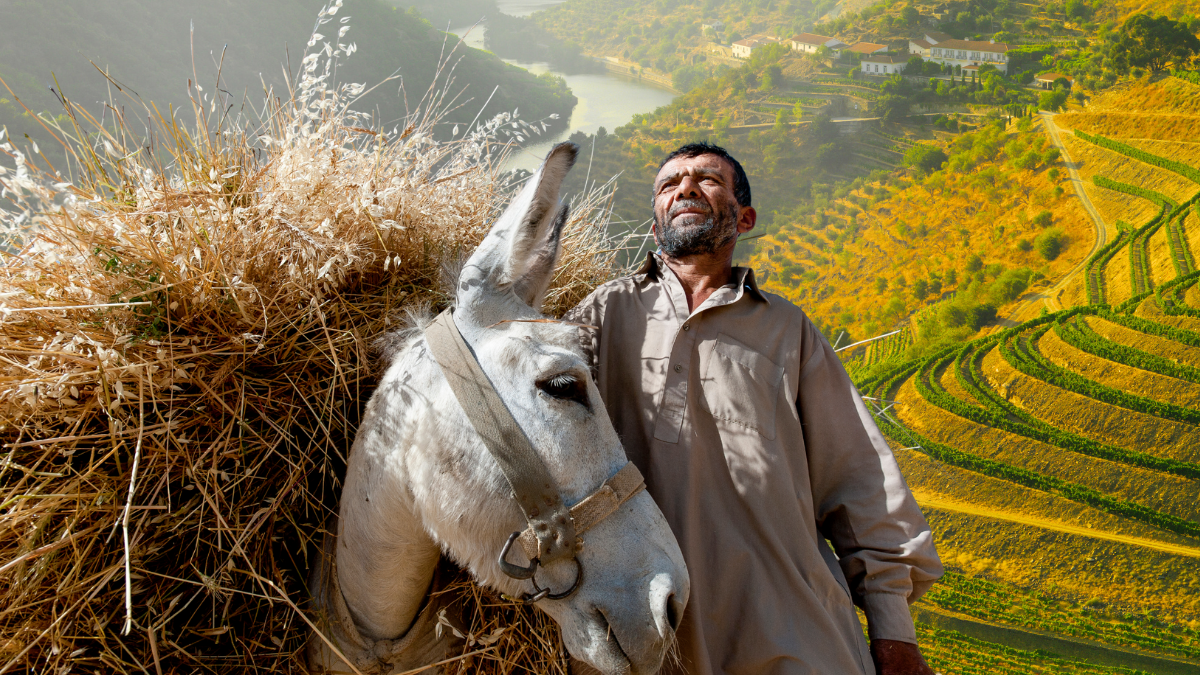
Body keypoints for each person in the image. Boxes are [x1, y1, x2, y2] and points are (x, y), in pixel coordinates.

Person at [565, 142, 943, 675]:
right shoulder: (602, 315)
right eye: (669, 184)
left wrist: (894, 632)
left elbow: (861, 482)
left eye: (707, 179)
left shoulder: (788, 330)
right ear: (656, 225)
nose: (686, 188)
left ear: (745, 218)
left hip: (793, 632)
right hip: (646, 637)